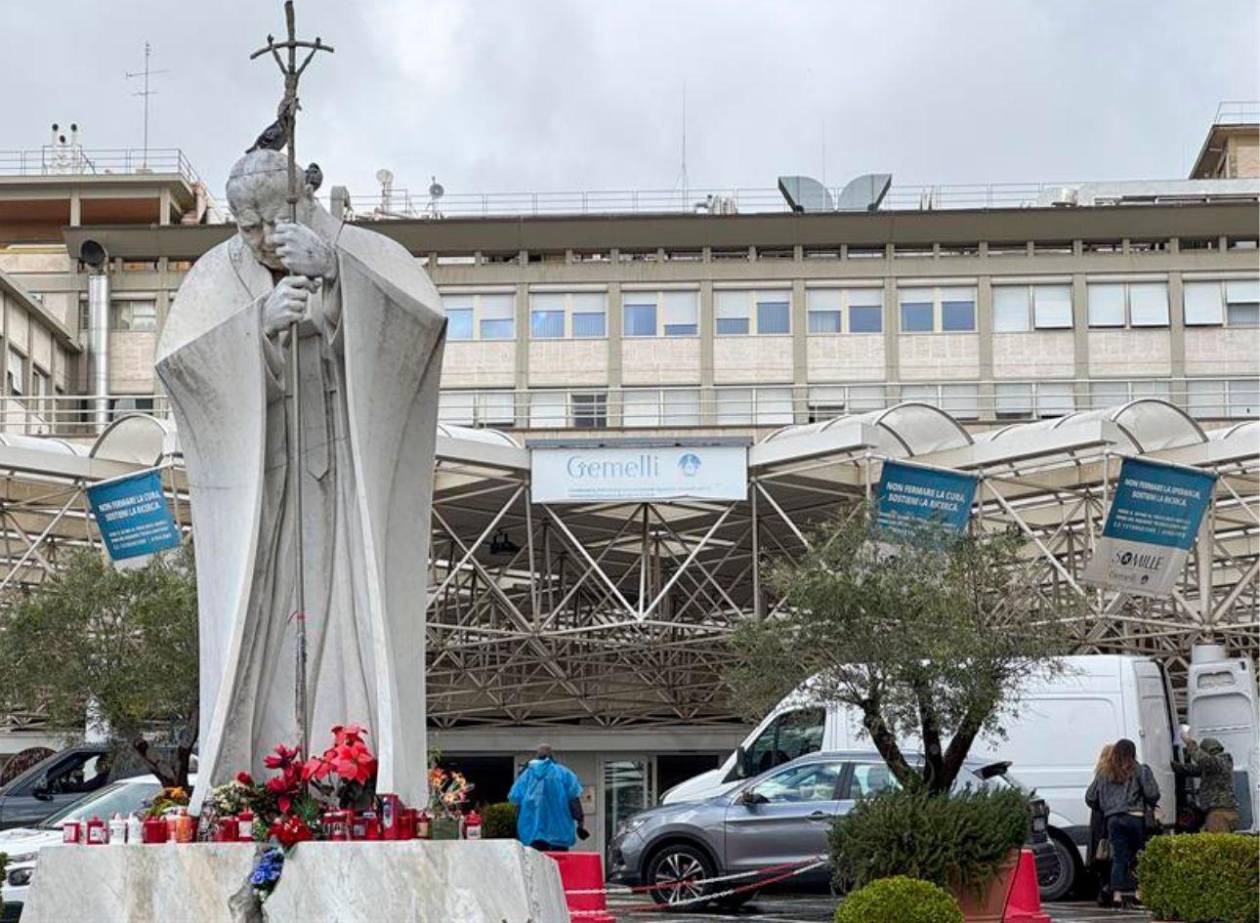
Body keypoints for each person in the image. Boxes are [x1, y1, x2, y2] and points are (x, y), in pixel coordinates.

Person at [1085, 738, 1160, 910]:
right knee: (1139, 856)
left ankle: (1117, 897)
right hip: (1135, 817)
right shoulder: (1139, 769)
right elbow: (1152, 794)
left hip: (1113, 819)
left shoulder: (1104, 772)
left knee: (1119, 858)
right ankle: (1139, 895)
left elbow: (1090, 797)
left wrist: (1105, 808)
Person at [508, 745, 589, 852]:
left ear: (537, 756)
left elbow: (516, 800)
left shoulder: (526, 776)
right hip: (560, 832)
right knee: (557, 861)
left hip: (532, 833)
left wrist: (517, 829)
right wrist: (580, 824)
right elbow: (574, 802)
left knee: (536, 861)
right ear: (551, 756)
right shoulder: (564, 774)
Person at [1172, 735, 1239, 833]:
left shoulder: (1220, 760)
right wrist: (1171, 765)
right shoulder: (1216, 766)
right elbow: (1193, 769)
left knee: (1217, 841)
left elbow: (1204, 761)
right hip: (1223, 811)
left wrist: (1190, 743)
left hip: (1219, 812)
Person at [1087, 744, 1114, 907]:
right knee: (1113, 855)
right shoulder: (1119, 774)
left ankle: (1104, 890)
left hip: (1099, 820)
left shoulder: (1101, 774)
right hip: (1111, 818)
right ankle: (1110, 889)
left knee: (1101, 854)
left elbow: (1090, 797)